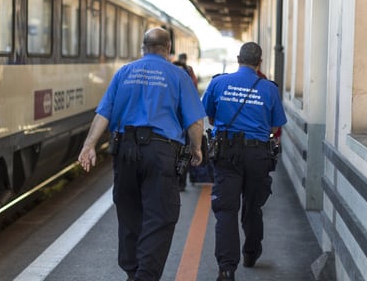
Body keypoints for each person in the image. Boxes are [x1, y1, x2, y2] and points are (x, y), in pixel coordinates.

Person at [78, 27, 205, 281]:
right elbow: (195, 123)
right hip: (161, 153)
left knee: (129, 213)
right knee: (160, 216)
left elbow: (103, 113)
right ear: (167, 48)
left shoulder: (124, 73)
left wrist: (89, 145)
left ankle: (132, 270)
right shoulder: (177, 75)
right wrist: (196, 148)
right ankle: (144, 275)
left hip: (125, 150)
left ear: (143, 47)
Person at [201, 42, 287, 281]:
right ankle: (251, 253)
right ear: (259, 63)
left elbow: (209, 115)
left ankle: (227, 269)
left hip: (227, 153)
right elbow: (275, 125)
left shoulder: (218, 83)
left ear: (238, 58)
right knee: (253, 206)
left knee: (226, 210)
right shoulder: (269, 89)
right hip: (258, 155)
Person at [172, 52, 199, 190]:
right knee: (184, 151)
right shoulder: (188, 72)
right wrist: (197, 148)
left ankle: (178, 181)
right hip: (184, 122)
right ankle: (181, 182)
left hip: (172, 126)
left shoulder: (170, 73)